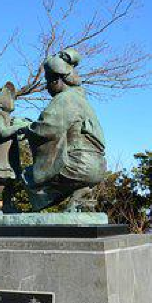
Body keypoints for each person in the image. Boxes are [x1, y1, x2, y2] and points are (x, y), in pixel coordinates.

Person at [22, 48, 107, 211]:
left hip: (77, 166)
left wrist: (26, 128)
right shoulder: (82, 101)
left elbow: (48, 128)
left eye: (48, 80)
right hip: (98, 167)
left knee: (28, 175)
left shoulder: (65, 99)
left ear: (57, 79)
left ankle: (36, 210)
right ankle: (76, 199)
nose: (47, 86)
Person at [0, 82, 32, 214]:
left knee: (12, 179)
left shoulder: (9, 118)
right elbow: (3, 132)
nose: (12, 100)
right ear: (0, 103)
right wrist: (18, 127)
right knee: (2, 178)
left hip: (11, 153)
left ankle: (7, 204)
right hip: (1, 154)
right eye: (9, 98)